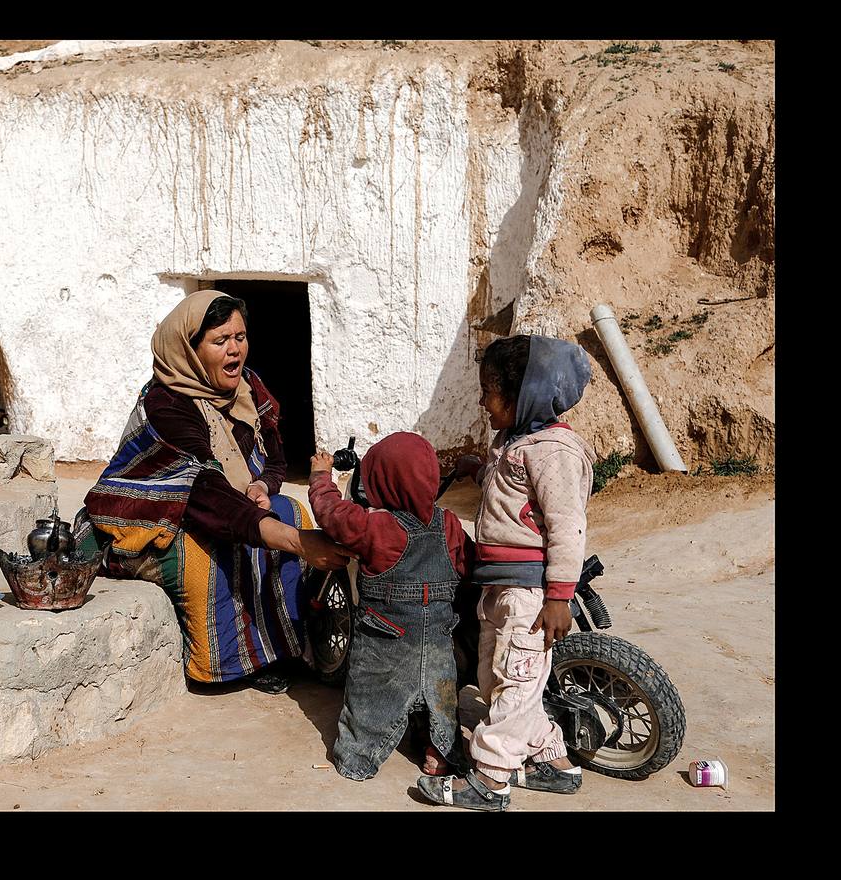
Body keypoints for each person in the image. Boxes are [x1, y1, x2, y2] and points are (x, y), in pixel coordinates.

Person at [74, 291, 351, 694]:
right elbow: (203, 494)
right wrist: (297, 542)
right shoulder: (167, 404)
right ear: (190, 348)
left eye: (240, 337)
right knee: (213, 553)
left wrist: (260, 486)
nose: (235, 349)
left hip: (228, 501)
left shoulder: (249, 387)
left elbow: (275, 458)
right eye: (220, 341)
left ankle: (285, 647)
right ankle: (229, 666)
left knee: (290, 510)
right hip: (156, 516)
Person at [418, 334, 596, 812]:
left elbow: (566, 526)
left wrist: (559, 597)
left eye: (489, 391)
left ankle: (490, 781)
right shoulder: (514, 442)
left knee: (515, 684)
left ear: (522, 396)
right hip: (499, 586)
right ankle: (554, 763)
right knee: (504, 681)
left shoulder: (554, 452)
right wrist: (478, 470)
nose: (482, 401)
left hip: (530, 595)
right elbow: (511, 493)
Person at [308, 432, 475, 780]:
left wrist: (321, 476)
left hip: (385, 645)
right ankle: (439, 751)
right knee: (440, 702)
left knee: (368, 701)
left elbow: (332, 514)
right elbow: (467, 564)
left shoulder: (377, 527)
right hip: (439, 639)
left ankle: (357, 759)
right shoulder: (449, 523)